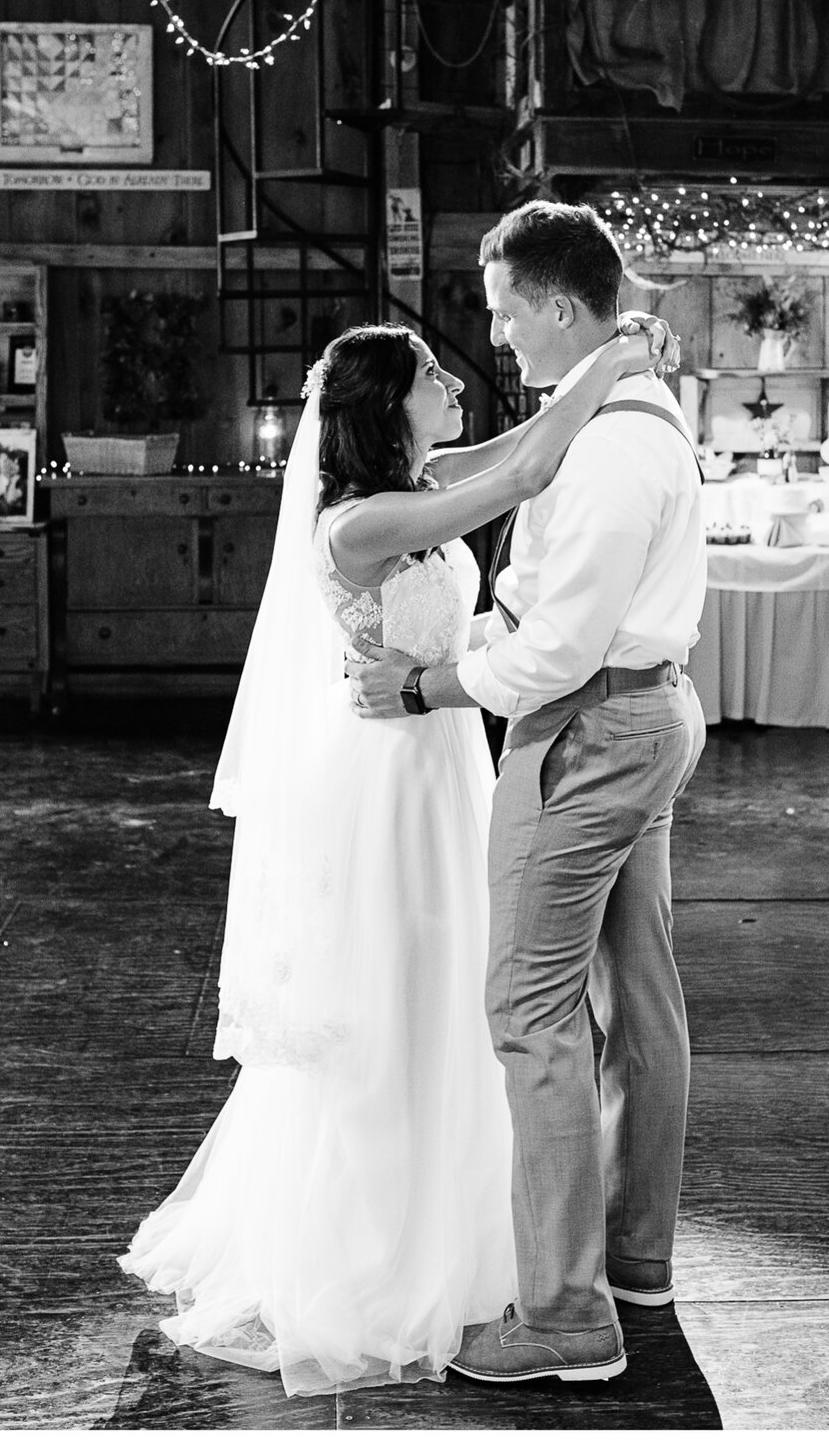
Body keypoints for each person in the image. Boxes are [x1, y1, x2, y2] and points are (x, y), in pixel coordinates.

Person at [121, 311, 666, 1396]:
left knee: (467, 983)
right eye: (433, 378)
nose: (458, 388)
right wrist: (609, 360)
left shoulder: (416, 477)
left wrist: (599, 373)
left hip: (445, 754)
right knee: (394, 991)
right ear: (385, 405)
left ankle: (484, 1219)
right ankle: (380, 1248)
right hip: (379, 778)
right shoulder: (353, 526)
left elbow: (516, 448)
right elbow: (527, 472)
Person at [352, 201, 707, 1387]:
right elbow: (533, 545)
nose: (498, 339)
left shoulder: (613, 443)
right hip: (645, 710)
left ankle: (564, 1315)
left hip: (588, 728)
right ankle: (634, 1261)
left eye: (506, 314)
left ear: (558, 306)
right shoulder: (622, 409)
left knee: (531, 1012)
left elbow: (555, 652)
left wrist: (428, 686)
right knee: (637, 995)